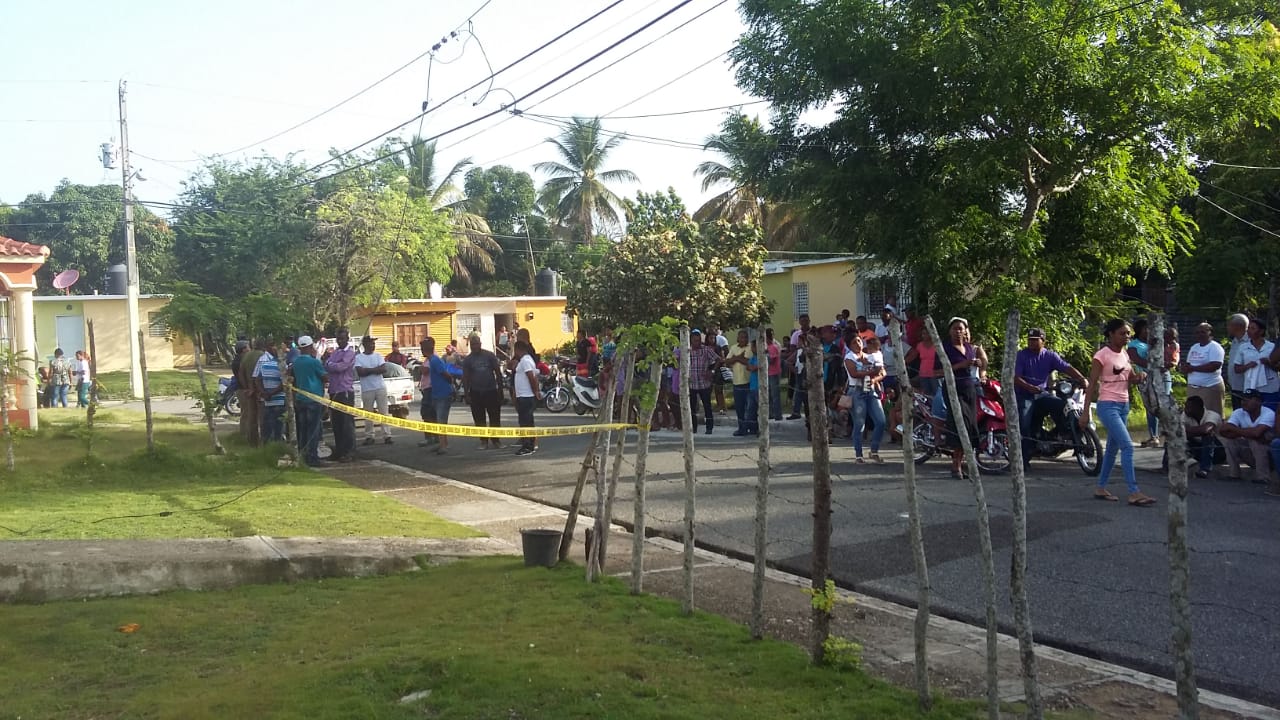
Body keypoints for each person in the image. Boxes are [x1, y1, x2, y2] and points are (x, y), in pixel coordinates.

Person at [1081, 319, 1156, 506]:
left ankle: (1101, 487)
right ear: (1111, 334)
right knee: (1128, 446)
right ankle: (1134, 491)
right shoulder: (1101, 355)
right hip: (1107, 405)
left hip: (1124, 404)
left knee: (1113, 449)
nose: (1127, 337)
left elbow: (1128, 377)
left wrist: (1138, 378)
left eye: (1128, 333)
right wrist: (1084, 413)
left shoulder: (1124, 354)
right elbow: (1091, 385)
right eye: (1122, 333)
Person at [1014, 328, 1087, 469]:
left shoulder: (1049, 356)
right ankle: (1022, 459)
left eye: (1035, 340)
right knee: (1024, 424)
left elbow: (1067, 368)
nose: (1032, 343)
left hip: (1042, 394)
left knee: (1061, 406)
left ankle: (1063, 434)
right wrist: (1030, 387)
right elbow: (1016, 378)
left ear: (1043, 341)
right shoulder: (1021, 355)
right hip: (1025, 395)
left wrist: (1082, 379)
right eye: (1030, 340)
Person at [941, 318, 983, 479]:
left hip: (969, 389)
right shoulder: (944, 348)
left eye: (961, 329)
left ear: (966, 331)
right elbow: (938, 371)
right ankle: (955, 465)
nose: (958, 331)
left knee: (971, 426)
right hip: (953, 389)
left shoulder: (969, 348)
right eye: (955, 329)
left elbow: (977, 365)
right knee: (960, 425)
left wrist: (977, 363)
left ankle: (960, 463)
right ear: (950, 331)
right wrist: (960, 365)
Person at [844, 334, 886, 463]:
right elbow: (854, 374)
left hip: (870, 389)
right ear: (849, 346)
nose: (858, 344)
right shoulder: (849, 358)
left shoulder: (870, 355)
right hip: (857, 391)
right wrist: (873, 371)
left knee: (881, 421)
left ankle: (874, 450)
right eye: (854, 342)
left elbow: (883, 372)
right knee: (859, 423)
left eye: (859, 341)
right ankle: (858, 454)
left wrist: (874, 379)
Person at [1218, 388, 1275, 483]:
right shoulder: (1239, 412)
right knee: (1230, 441)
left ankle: (1263, 477)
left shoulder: (1268, 413)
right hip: (1250, 454)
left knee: (1256, 441)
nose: (1243, 402)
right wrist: (1247, 433)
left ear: (1258, 402)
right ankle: (1234, 474)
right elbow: (1223, 431)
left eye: (1247, 400)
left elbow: (1257, 433)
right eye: (1242, 399)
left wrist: (1235, 430)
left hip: (1270, 456)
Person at [289, 336, 327, 467]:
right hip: (313, 399)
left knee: (303, 429)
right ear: (311, 347)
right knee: (313, 430)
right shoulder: (314, 362)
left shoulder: (296, 362)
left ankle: (303, 455)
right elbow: (324, 377)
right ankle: (312, 458)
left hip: (300, 399)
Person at [462, 335, 504, 449]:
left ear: (480, 344)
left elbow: (498, 372)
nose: (475, 346)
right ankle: (483, 441)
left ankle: (496, 441)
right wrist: (466, 394)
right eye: (473, 345)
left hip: (491, 391)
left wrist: (500, 389)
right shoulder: (468, 360)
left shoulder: (489, 355)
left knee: (494, 417)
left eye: (477, 344)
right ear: (470, 346)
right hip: (476, 392)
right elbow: (465, 377)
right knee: (479, 418)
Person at [423, 336, 463, 455]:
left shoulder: (435, 360)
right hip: (436, 393)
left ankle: (444, 445)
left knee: (441, 420)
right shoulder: (431, 360)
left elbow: (446, 374)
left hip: (443, 394)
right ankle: (441, 443)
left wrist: (451, 386)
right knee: (438, 419)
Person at [324, 328, 358, 462]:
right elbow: (327, 364)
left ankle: (349, 452)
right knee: (336, 423)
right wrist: (331, 364)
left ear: (347, 338)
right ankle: (339, 451)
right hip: (333, 391)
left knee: (346, 423)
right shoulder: (336, 352)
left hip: (345, 391)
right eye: (338, 339)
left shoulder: (350, 353)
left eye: (342, 338)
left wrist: (331, 364)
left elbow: (340, 367)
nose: (340, 341)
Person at [1232, 318, 1279, 413]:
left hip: (1269, 386)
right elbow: (1237, 369)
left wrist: (1268, 363)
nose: (1249, 331)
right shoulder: (1243, 347)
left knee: (1270, 411)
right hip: (1251, 386)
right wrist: (1247, 366)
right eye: (1248, 328)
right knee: (1252, 412)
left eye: (1253, 328)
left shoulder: (1271, 347)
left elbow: (1278, 367)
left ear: (1261, 331)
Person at [1127, 318, 1161, 448]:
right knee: (1151, 407)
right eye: (1146, 329)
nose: (1149, 331)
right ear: (1140, 330)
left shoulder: (1153, 343)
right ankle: (1154, 435)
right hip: (1145, 378)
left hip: (1159, 378)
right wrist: (1154, 365)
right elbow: (1136, 360)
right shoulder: (1134, 345)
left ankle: (1168, 433)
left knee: (1161, 404)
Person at [1180, 322, 1226, 417]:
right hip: (1193, 387)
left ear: (1210, 333)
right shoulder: (1194, 347)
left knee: (1212, 415)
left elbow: (1214, 366)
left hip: (1210, 386)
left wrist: (1193, 368)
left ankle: (1215, 432)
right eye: (1197, 332)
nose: (1199, 334)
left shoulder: (1215, 347)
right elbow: (1189, 363)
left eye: (1202, 332)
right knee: (1193, 414)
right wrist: (1185, 368)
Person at [354, 335, 393, 446]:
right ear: (365, 345)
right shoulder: (359, 358)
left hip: (380, 387)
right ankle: (369, 436)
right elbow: (360, 372)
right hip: (367, 388)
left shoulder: (378, 356)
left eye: (374, 343)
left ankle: (387, 435)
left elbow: (383, 369)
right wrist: (375, 370)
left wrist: (368, 370)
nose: (373, 345)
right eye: (371, 343)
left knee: (384, 412)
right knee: (368, 414)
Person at [686, 329, 722, 435]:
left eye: (698, 340)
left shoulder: (706, 350)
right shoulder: (688, 351)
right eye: (694, 341)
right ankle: (693, 428)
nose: (696, 343)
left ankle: (709, 427)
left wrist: (712, 370)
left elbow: (718, 359)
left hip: (704, 383)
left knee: (707, 406)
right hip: (692, 383)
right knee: (692, 408)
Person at [1178, 395, 1221, 479]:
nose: (1185, 409)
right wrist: (1194, 432)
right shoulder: (1185, 415)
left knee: (1208, 435)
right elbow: (1177, 430)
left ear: (1198, 408)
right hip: (1198, 446)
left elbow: (1205, 429)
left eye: (1189, 407)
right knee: (1174, 437)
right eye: (1185, 406)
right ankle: (1167, 466)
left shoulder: (1212, 415)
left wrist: (1186, 430)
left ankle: (1205, 469)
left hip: (1218, 450)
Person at [254, 340, 286, 443]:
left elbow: (257, 380)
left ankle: (266, 446)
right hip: (279, 401)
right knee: (279, 427)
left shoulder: (264, 366)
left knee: (267, 426)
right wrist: (271, 393)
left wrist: (264, 393)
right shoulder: (282, 367)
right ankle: (277, 446)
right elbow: (283, 385)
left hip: (268, 401)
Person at [725, 329, 756, 436]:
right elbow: (727, 361)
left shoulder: (750, 348)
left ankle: (753, 428)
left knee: (751, 408)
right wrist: (739, 358)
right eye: (742, 337)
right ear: (738, 338)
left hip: (748, 382)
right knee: (739, 408)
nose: (744, 339)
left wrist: (736, 359)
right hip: (737, 383)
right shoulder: (733, 347)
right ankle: (742, 428)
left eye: (745, 337)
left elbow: (749, 362)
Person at [512, 340, 539, 456]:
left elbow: (531, 377)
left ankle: (528, 446)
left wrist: (535, 391)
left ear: (518, 350)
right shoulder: (524, 361)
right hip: (523, 396)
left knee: (525, 422)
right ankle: (530, 444)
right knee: (526, 421)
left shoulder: (526, 360)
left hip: (526, 396)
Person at [236, 340, 266, 447]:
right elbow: (262, 374)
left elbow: (240, 373)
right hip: (260, 391)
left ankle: (252, 441)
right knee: (262, 416)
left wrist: (247, 388)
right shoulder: (263, 356)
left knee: (252, 416)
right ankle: (264, 441)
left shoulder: (246, 356)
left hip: (249, 391)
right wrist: (260, 389)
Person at [786, 314, 812, 419]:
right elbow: (792, 351)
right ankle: (796, 411)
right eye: (802, 321)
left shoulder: (813, 332)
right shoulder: (796, 334)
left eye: (806, 320)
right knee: (799, 389)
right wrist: (793, 368)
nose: (804, 322)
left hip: (812, 367)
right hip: (800, 366)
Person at [1225, 313, 1250, 410]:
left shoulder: (1250, 342)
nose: (1227, 328)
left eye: (1229, 325)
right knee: (1237, 413)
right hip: (1235, 386)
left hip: (1246, 387)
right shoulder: (1235, 341)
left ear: (1237, 326)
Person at [416, 337, 437, 448]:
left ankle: (432, 437)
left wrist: (420, 368)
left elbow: (425, 370)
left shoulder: (432, 358)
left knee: (428, 413)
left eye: (423, 348)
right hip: (426, 389)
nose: (421, 350)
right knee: (428, 414)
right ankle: (432, 437)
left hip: (430, 389)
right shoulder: (428, 359)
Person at [706, 323, 730, 414]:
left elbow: (720, 359)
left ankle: (723, 407)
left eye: (713, 338)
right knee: (709, 390)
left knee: (719, 389)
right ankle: (715, 406)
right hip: (709, 369)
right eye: (710, 338)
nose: (712, 340)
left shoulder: (718, 347)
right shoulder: (705, 348)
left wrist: (714, 369)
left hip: (717, 370)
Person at [764, 328, 783, 421]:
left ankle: (777, 414)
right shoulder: (766, 347)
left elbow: (771, 360)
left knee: (775, 395)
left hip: (774, 373)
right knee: (768, 395)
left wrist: (766, 355)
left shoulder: (773, 347)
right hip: (767, 373)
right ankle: (770, 413)